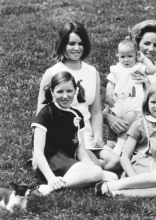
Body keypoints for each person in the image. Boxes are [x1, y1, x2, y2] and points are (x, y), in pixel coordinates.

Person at [36, 21, 120, 172]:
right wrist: (40, 149)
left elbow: (95, 111)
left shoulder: (92, 72)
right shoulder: (52, 73)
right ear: (63, 45)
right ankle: (74, 165)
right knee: (95, 167)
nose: (76, 48)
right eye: (71, 43)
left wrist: (98, 135)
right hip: (62, 138)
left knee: (114, 161)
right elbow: (41, 115)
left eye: (80, 43)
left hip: (85, 133)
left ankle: (82, 168)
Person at [33, 71, 117, 196]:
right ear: (52, 92)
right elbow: (38, 151)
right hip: (51, 162)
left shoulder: (77, 115)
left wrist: (89, 165)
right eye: (60, 92)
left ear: (75, 91)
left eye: (69, 91)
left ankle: (71, 182)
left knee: (112, 177)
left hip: (69, 162)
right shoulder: (46, 113)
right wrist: (50, 177)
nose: (65, 96)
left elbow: (80, 150)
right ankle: (50, 187)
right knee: (96, 174)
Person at [95, 82, 156, 197]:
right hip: (141, 167)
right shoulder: (139, 124)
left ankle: (114, 193)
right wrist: (133, 176)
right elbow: (124, 156)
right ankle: (115, 185)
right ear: (146, 103)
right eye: (153, 102)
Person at [104, 20, 156, 144]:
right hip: (124, 132)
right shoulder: (123, 69)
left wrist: (149, 85)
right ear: (137, 44)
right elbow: (110, 104)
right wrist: (109, 117)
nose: (151, 49)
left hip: (154, 136)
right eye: (146, 43)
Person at [104, 38, 156, 154]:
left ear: (136, 56)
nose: (126, 60)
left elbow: (152, 70)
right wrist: (108, 94)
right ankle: (109, 143)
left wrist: (143, 59)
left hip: (133, 104)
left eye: (130, 56)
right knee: (115, 120)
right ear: (118, 56)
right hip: (118, 102)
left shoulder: (138, 67)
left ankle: (120, 144)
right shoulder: (116, 68)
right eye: (122, 57)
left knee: (128, 120)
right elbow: (110, 83)